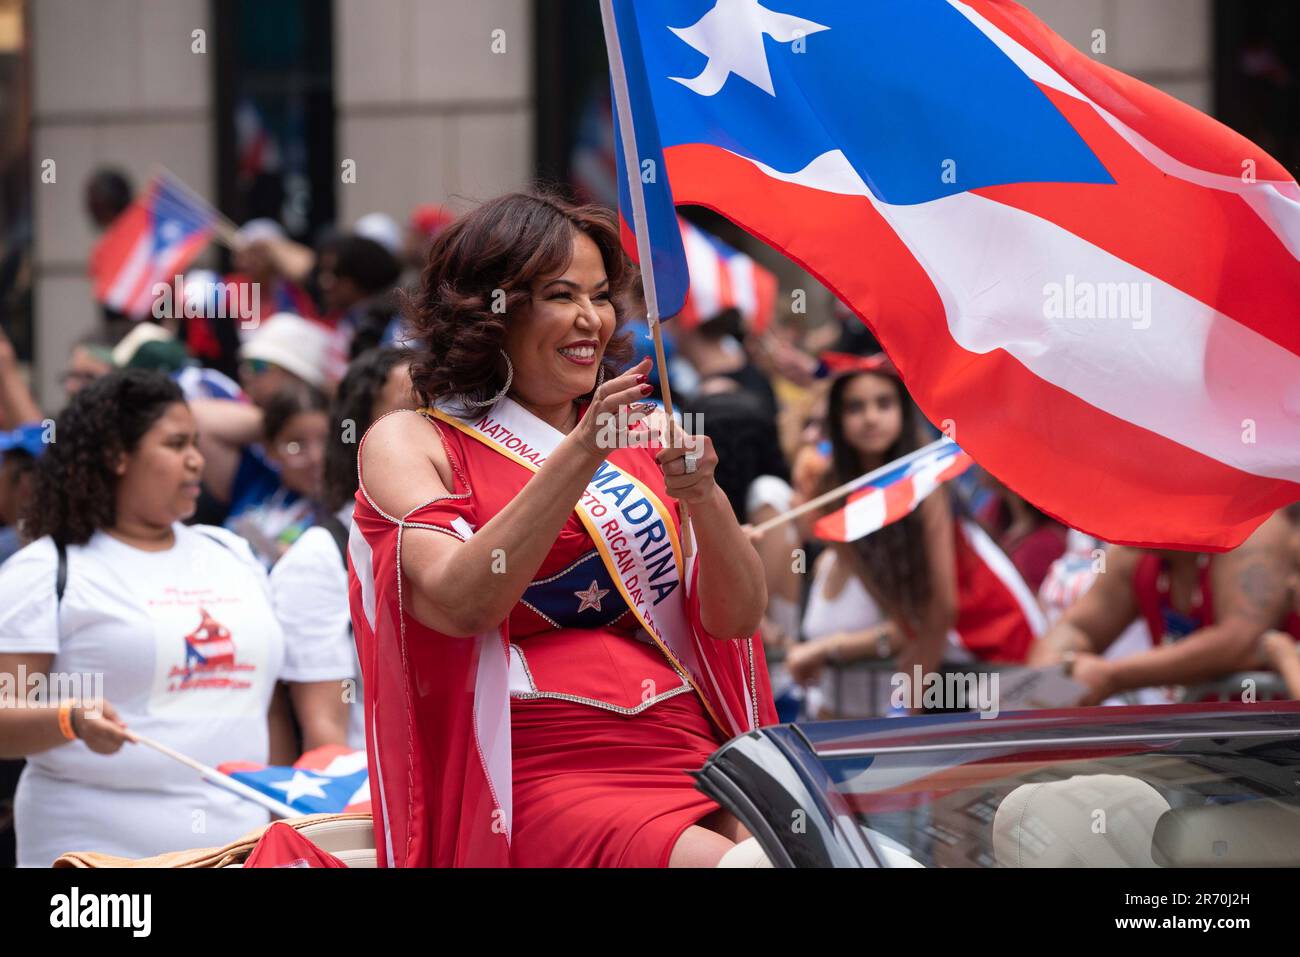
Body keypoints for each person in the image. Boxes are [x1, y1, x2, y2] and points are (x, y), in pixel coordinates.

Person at [350, 192, 775, 868]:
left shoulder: (644, 432)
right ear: (492, 308)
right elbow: (464, 600)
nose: (590, 319)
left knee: (824, 849)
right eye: (560, 294)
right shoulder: (413, 440)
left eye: (601, 295)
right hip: (541, 765)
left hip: (689, 740)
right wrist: (581, 451)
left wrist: (705, 497)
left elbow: (739, 616)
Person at [0, 370, 288, 866]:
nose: (196, 459)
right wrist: (70, 719)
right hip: (97, 854)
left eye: (197, 443)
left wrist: (285, 817)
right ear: (117, 455)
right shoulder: (49, 569)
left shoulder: (232, 553)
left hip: (239, 847)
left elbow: (266, 707)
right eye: (176, 444)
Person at [783, 354, 1042, 713]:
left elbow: (943, 607)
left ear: (903, 412)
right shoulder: (836, 492)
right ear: (838, 419)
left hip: (993, 643)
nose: (871, 417)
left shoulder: (924, 482)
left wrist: (913, 696)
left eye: (884, 404)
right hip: (941, 655)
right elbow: (894, 605)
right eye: (855, 407)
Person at [270, 346, 417, 753]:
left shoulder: (480, 532)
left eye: (443, 412)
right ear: (360, 435)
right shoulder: (320, 557)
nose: (434, 430)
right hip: (378, 800)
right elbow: (327, 738)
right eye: (411, 412)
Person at [1027, 510, 1300, 705]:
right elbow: (1077, 628)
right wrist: (1047, 673)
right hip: (1193, 747)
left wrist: (1112, 675)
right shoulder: (1134, 553)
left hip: (1273, 753)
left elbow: (1242, 640)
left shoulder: (1253, 529)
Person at [195, 382, 329, 566]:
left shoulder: (352, 503)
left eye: (326, 441)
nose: (316, 458)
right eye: (296, 445)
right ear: (270, 449)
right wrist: (275, 422)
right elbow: (198, 420)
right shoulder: (255, 481)